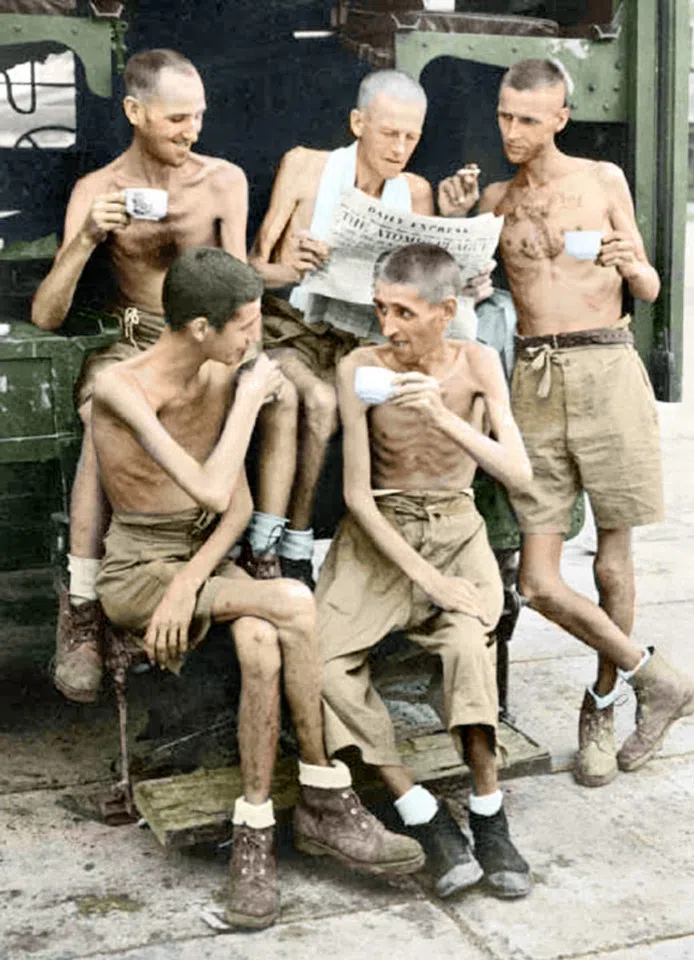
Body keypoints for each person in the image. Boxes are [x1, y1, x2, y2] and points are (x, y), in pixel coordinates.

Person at [91, 247, 424, 931]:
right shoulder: (123, 388)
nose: (258, 338)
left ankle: (256, 832)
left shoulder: (219, 372)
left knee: (264, 644)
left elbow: (236, 509)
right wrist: (249, 398)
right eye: (245, 325)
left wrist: (190, 583)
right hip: (136, 570)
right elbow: (209, 487)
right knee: (294, 601)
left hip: (201, 562)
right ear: (199, 329)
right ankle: (326, 798)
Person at [440, 58, 694, 788]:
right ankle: (659, 677)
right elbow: (463, 284)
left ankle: (604, 704)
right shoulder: (494, 199)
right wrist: (460, 218)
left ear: (561, 116)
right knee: (541, 580)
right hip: (533, 377)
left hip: (608, 366)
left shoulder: (602, 181)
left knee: (613, 564)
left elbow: (647, 286)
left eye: (529, 118)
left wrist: (630, 262)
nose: (513, 131)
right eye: (504, 116)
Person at [30, 49, 271, 705]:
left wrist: (249, 350)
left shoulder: (222, 180)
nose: (192, 131)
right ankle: (81, 603)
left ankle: (262, 550)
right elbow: (46, 317)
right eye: (176, 119)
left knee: (279, 397)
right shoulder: (99, 189)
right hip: (131, 343)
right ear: (135, 112)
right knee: (97, 416)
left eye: (198, 116)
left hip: (211, 341)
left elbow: (242, 285)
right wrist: (85, 238)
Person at [317, 243, 533, 899]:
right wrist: (429, 582)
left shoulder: (479, 362)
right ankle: (419, 810)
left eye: (405, 312)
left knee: (469, 643)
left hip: (454, 524)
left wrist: (442, 413)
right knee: (321, 666)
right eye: (381, 308)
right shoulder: (359, 366)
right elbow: (357, 494)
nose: (389, 325)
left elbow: (519, 474)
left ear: (447, 311)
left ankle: (489, 812)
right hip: (378, 534)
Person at [245, 69, 484, 587]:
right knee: (324, 402)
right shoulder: (306, 167)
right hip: (294, 331)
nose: (400, 148)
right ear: (358, 122)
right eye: (388, 133)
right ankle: (290, 545)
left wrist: (461, 244)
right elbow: (252, 269)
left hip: (363, 340)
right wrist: (295, 269)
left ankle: (420, 539)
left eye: (412, 136)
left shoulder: (414, 191)